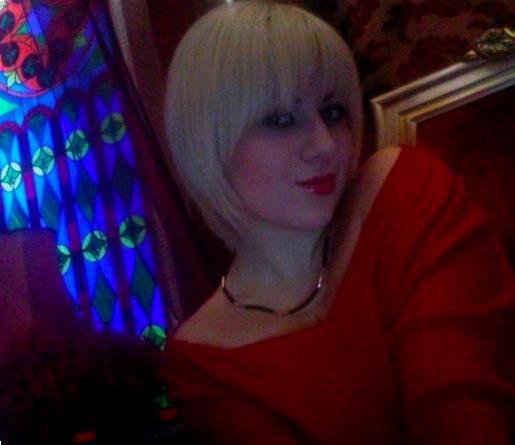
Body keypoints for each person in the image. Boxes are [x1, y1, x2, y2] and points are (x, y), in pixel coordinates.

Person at [161, 1, 515, 443]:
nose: (325, 145)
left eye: (332, 112)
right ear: (208, 140)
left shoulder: (400, 192)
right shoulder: (202, 358)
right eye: (280, 119)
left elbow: (467, 411)